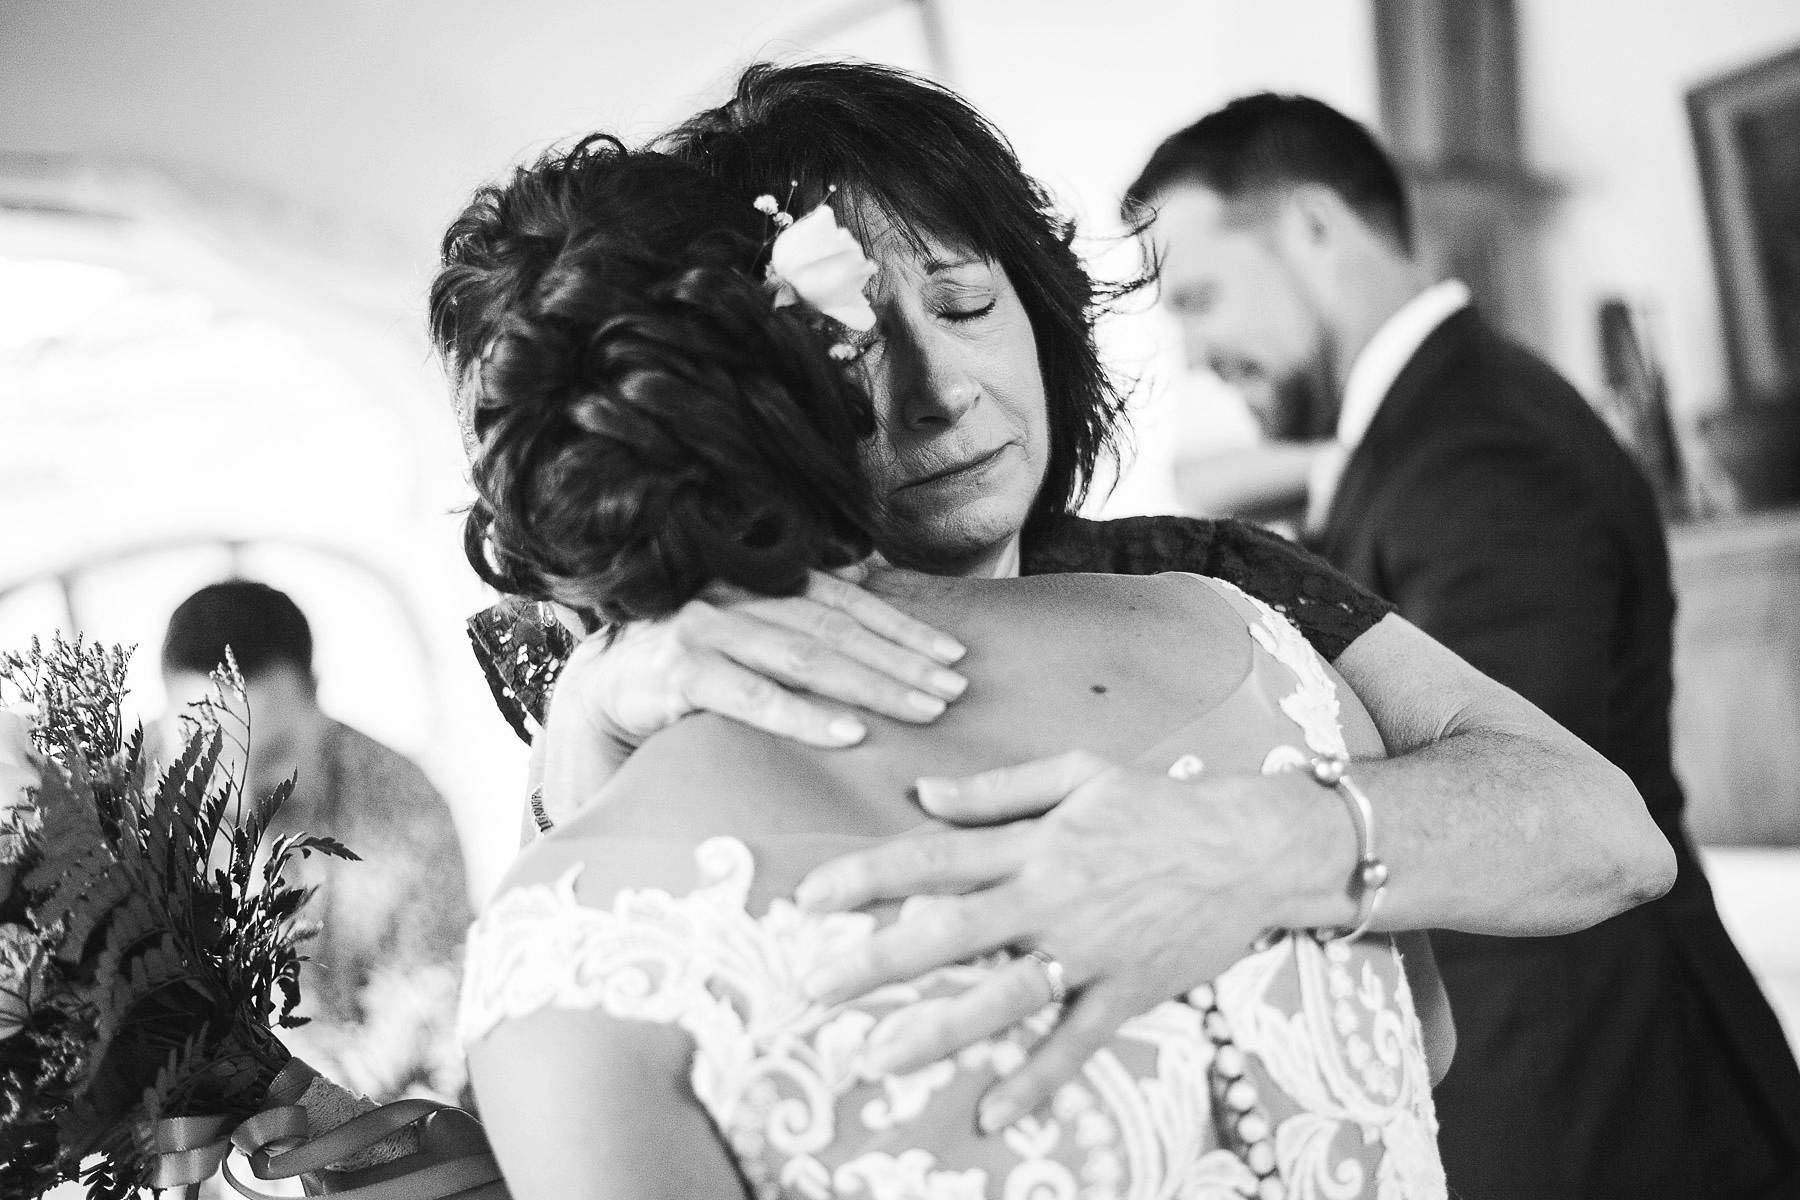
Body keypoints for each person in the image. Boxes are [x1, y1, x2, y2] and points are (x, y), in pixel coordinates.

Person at [454, 61, 1670, 1144]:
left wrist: (1242, 847)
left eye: (966, 305)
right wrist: (584, 732)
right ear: (756, 387)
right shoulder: (649, 678)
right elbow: (586, 1048)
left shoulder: (1210, 581)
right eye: (858, 342)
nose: (940, 393)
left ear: (1038, 310)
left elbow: (1602, 831)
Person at [1123, 93, 1800, 1198]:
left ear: (1313, 226)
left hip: (1607, 1108)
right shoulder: (1430, 430)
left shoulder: (1479, 452)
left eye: (1199, 297)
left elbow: (1513, 813)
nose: (1195, 354)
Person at [160, 580, 473, 1103]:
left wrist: (328, 1098)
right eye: (212, 754)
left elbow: (426, 981)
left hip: (365, 1101)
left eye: (274, 754)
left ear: (316, 696)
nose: (245, 793)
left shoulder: (403, 801)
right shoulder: (115, 803)